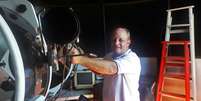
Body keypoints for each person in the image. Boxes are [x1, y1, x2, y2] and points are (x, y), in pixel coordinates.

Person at [70, 26, 141, 101]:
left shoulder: (132, 58)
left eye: (121, 40)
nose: (116, 43)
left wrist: (80, 59)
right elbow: (100, 71)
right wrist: (81, 56)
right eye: (114, 40)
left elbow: (111, 68)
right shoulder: (109, 56)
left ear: (128, 42)